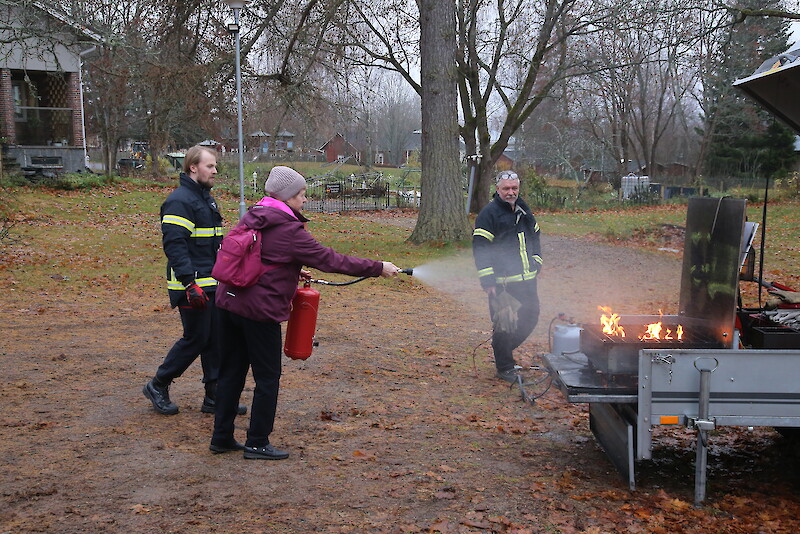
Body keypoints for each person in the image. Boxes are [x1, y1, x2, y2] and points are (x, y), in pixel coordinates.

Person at [210, 166, 401, 459]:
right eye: (301, 195)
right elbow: (330, 259)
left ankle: (221, 437)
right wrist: (378, 267)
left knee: (231, 372)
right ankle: (257, 442)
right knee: (268, 377)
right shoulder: (288, 230)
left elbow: (260, 257)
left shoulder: (254, 216)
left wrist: (289, 269)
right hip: (257, 312)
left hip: (228, 303)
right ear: (286, 197)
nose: (304, 201)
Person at [143, 145, 246, 416]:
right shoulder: (180, 201)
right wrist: (190, 284)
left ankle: (214, 396)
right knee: (197, 338)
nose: (215, 171)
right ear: (193, 168)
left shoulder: (205, 199)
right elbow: (175, 246)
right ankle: (158, 384)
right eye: (210, 166)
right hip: (191, 286)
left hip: (211, 282)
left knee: (214, 339)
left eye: (214, 166)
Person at [472, 170, 542, 382]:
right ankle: (504, 367)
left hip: (527, 280)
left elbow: (535, 235)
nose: (511, 192)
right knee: (505, 324)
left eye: (514, 188)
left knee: (531, 316)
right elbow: (480, 248)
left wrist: (537, 260)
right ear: (498, 189)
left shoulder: (524, 209)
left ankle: (502, 350)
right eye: (506, 189)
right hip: (502, 283)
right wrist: (488, 280)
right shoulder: (489, 214)